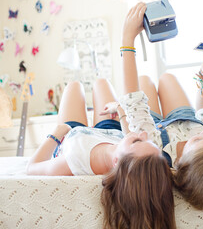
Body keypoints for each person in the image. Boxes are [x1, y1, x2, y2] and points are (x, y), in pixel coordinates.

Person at [102, 2, 203, 210]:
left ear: (179, 164)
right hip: (185, 117)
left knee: (144, 80)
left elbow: (133, 99)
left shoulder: (155, 151)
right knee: (166, 78)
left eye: (196, 140)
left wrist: (127, 39)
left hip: (157, 126)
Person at [26, 79, 176, 229]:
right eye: (148, 141)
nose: (143, 133)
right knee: (101, 83)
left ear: (117, 162)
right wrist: (119, 109)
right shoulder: (131, 162)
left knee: (74, 86)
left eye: (137, 141)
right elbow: (130, 136)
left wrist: (55, 135)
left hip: (73, 132)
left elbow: (32, 167)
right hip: (111, 132)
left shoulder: (74, 159)